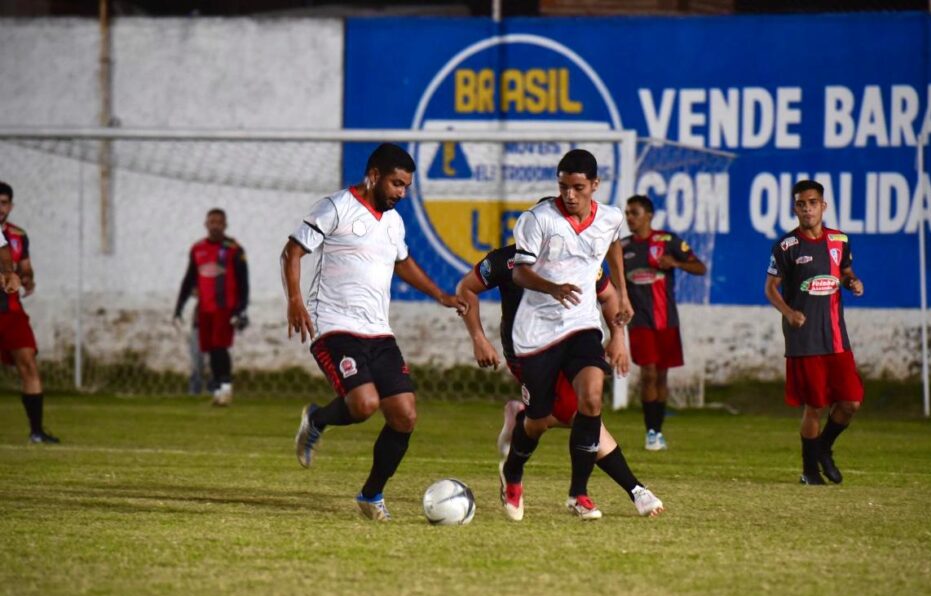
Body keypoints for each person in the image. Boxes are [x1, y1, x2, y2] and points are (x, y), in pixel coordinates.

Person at [284, 143, 467, 522]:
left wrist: (440, 295)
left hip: (378, 332)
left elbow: (403, 262)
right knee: (364, 405)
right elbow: (293, 252)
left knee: (405, 415)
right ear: (373, 176)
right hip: (333, 325)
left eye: (406, 187)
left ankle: (371, 495)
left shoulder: (394, 222)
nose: (402, 193)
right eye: (396, 184)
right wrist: (295, 300)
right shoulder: (336, 207)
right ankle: (317, 420)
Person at [456, 234, 664, 519]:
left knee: (585, 411)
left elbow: (608, 296)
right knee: (555, 419)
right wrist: (479, 339)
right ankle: (522, 437)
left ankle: (627, 490)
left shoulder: (579, 257)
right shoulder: (507, 260)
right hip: (528, 351)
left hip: (574, 346)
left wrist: (618, 336)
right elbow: (466, 288)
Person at [498, 149, 634, 521]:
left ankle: (579, 493)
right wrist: (552, 287)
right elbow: (519, 272)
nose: (570, 195)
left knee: (591, 399)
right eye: (563, 187)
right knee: (538, 420)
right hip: (537, 333)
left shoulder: (610, 217)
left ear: (595, 185)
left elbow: (613, 242)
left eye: (577, 187)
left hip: (582, 325)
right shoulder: (537, 219)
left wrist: (621, 293)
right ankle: (513, 471)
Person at [764, 179, 864, 485]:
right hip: (804, 338)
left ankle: (823, 448)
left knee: (850, 402)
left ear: (823, 206)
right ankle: (810, 471)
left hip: (836, 336)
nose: (807, 209)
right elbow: (770, 288)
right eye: (801, 204)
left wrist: (852, 282)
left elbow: (845, 272)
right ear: (795, 209)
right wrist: (789, 313)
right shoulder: (786, 246)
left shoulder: (839, 240)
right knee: (815, 406)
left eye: (812, 203)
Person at [621, 194, 707, 451]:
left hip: (666, 320)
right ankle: (650, 432)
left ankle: (658, 430)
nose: (629, 218)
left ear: (649, 215)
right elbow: (615, 282)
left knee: (661, 375)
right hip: (639, 321)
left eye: (634, 213)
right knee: (647, 373)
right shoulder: (622, 247)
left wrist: (676, 263)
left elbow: (700, 267)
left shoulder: (667, 241)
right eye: (627, 213)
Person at [0, 181, 60, 443]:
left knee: (28, 363)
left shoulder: (17, 236)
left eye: (4, 203)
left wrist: (25, 278)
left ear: (10, 206)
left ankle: (36, 431)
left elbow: (22, 266)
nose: (0, 208)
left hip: (11, 311)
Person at [173, 208, 249, 406]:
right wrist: (179, 307)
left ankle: (226, 387)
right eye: (212, 222)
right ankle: (217, 391)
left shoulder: (234, 249)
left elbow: (243, 283)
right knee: (209, 349)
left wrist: (241, 309)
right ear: (206, 224)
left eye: (219, 222)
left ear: (225, 225)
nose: (215, 226)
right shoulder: (197, 249)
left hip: (225, 308)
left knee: (219, 347)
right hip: (205, 309)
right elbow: (189, 279)